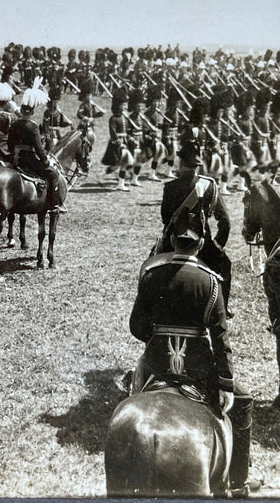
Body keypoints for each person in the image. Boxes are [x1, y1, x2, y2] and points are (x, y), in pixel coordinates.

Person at [130, 207, 253, 496]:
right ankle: (238, 483)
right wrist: (224, 382)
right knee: (244, 400)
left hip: (156, 364)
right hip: (197, 369)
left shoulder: (150, 273)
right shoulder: (210, 282)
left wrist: (160, 336)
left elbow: (136, 326)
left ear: (172, 239)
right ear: (200, 243)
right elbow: (220, 339)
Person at [160, 132, 232, 316]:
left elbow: (165, 218)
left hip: (173, 242)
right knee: (225, 264)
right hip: (202, 243)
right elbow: (225, 222)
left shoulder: (170, 187)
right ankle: (222, 309)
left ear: (181, 163)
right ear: (198, 165)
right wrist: (216, 244)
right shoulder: (209, 185)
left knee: (150, 265)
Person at [7, 77, 66, 214]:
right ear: (32, 112)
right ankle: (54, 205)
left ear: (21, 110)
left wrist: (13, 155)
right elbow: (39, 149)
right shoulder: (33, 127)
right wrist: (45, 160)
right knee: (53, 175)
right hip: (29, 160)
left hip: (16, 159)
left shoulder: (14, 123)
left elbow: (10, 144)